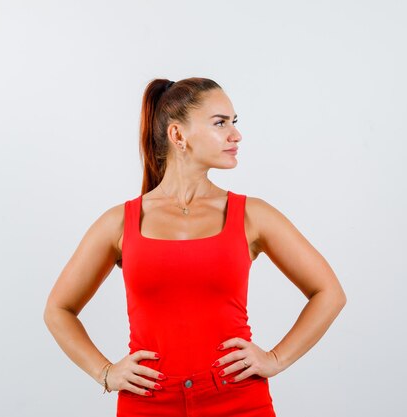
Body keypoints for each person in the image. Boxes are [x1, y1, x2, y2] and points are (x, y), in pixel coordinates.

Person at [43, 77, 347, 416]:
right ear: (178, 135)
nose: (236, 134)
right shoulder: (120, 222)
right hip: (147, 404)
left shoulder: (252, 215)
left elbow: (329, 292)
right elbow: (58, 309)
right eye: (220, 123)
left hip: (240, 402)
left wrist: (276, 359)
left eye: (234, 122)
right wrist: (106, 372)